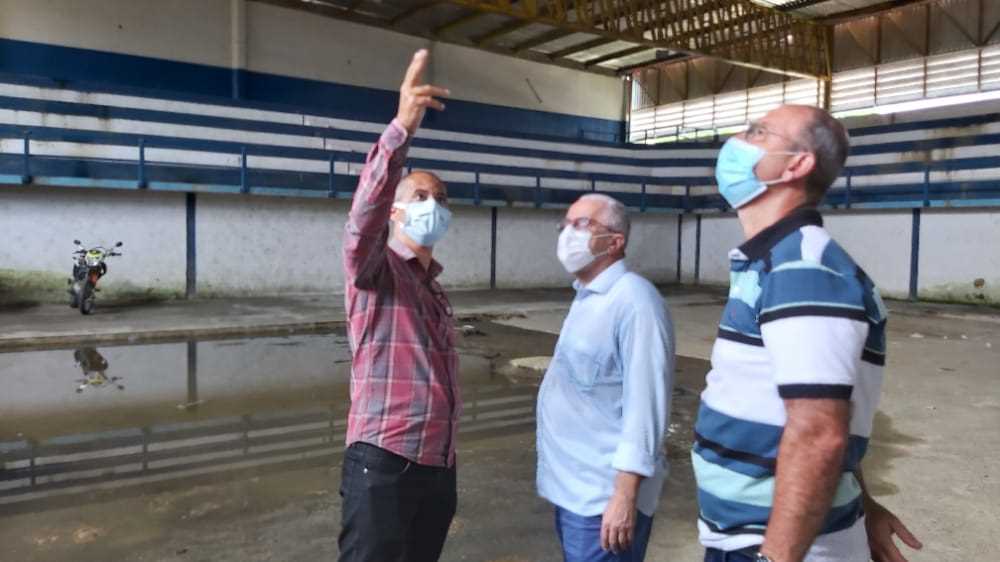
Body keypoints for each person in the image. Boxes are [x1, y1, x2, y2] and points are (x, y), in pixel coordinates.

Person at [693, 104, 923, 562]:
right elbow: (830, 410)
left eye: (758, 132)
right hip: (749, 538)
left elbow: (819, 434)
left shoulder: (805, 269)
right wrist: (863, 502)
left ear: (797, 165)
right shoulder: (777, 261)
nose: (738, 140)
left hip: (778, 547)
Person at [338, 49, 459, 562]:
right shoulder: (377, 270)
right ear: (396, 209)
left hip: (436, 466)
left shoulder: (432, 287)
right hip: (383, 463)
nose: (435, 204)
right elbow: (361, 218)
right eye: (422, 195)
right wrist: (401, 130)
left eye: (442, 198)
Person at [536, 193, 675, 562]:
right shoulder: (588, 297)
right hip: (574, 492)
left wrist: (625, 495)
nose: (568, 234)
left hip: (604, 499)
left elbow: (647, 407)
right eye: (565, 225)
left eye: (582, 224)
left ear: (616, 241)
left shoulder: (635, 302)